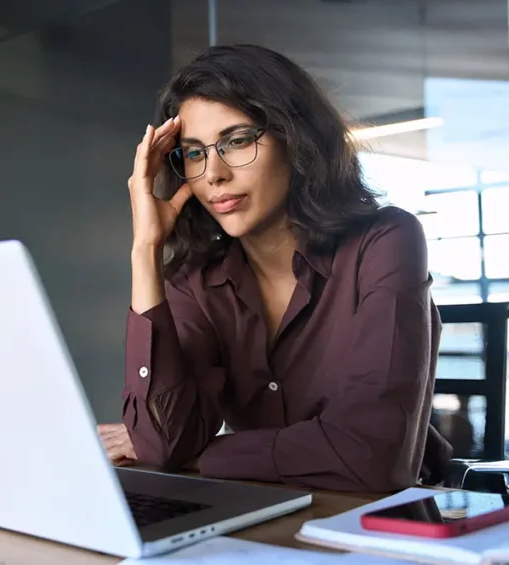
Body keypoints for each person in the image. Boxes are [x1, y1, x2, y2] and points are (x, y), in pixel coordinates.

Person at [97, 44, 453, 493]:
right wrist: (145, 249)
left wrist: (203, 454)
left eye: (238, 140)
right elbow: (165, 442)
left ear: (294, 137)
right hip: (266, 519)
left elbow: (372, 458)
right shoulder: (197, 283)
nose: (214, 175)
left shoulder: (384, 241)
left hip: (382, 527)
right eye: (193, 153)